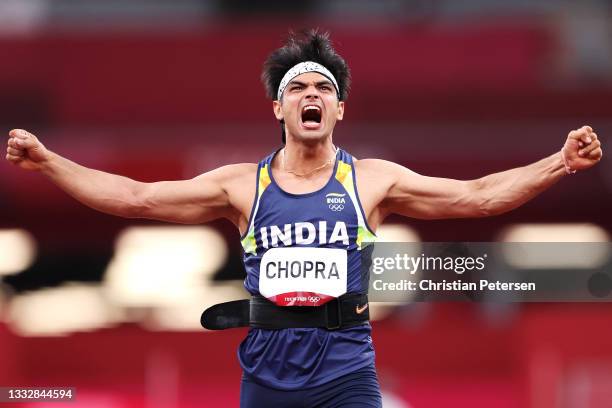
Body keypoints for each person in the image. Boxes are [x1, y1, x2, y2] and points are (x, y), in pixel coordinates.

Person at [4, 29, 603, 408]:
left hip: (346, 374)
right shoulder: (242, 185)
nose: (310, 93)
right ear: (278, 106)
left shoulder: (371, 179)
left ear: (339, 108)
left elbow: (477, 197)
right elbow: (136, 199)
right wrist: (51, 163)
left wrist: (559, 162)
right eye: (298, 87)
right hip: (267, 378)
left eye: (324, 87)